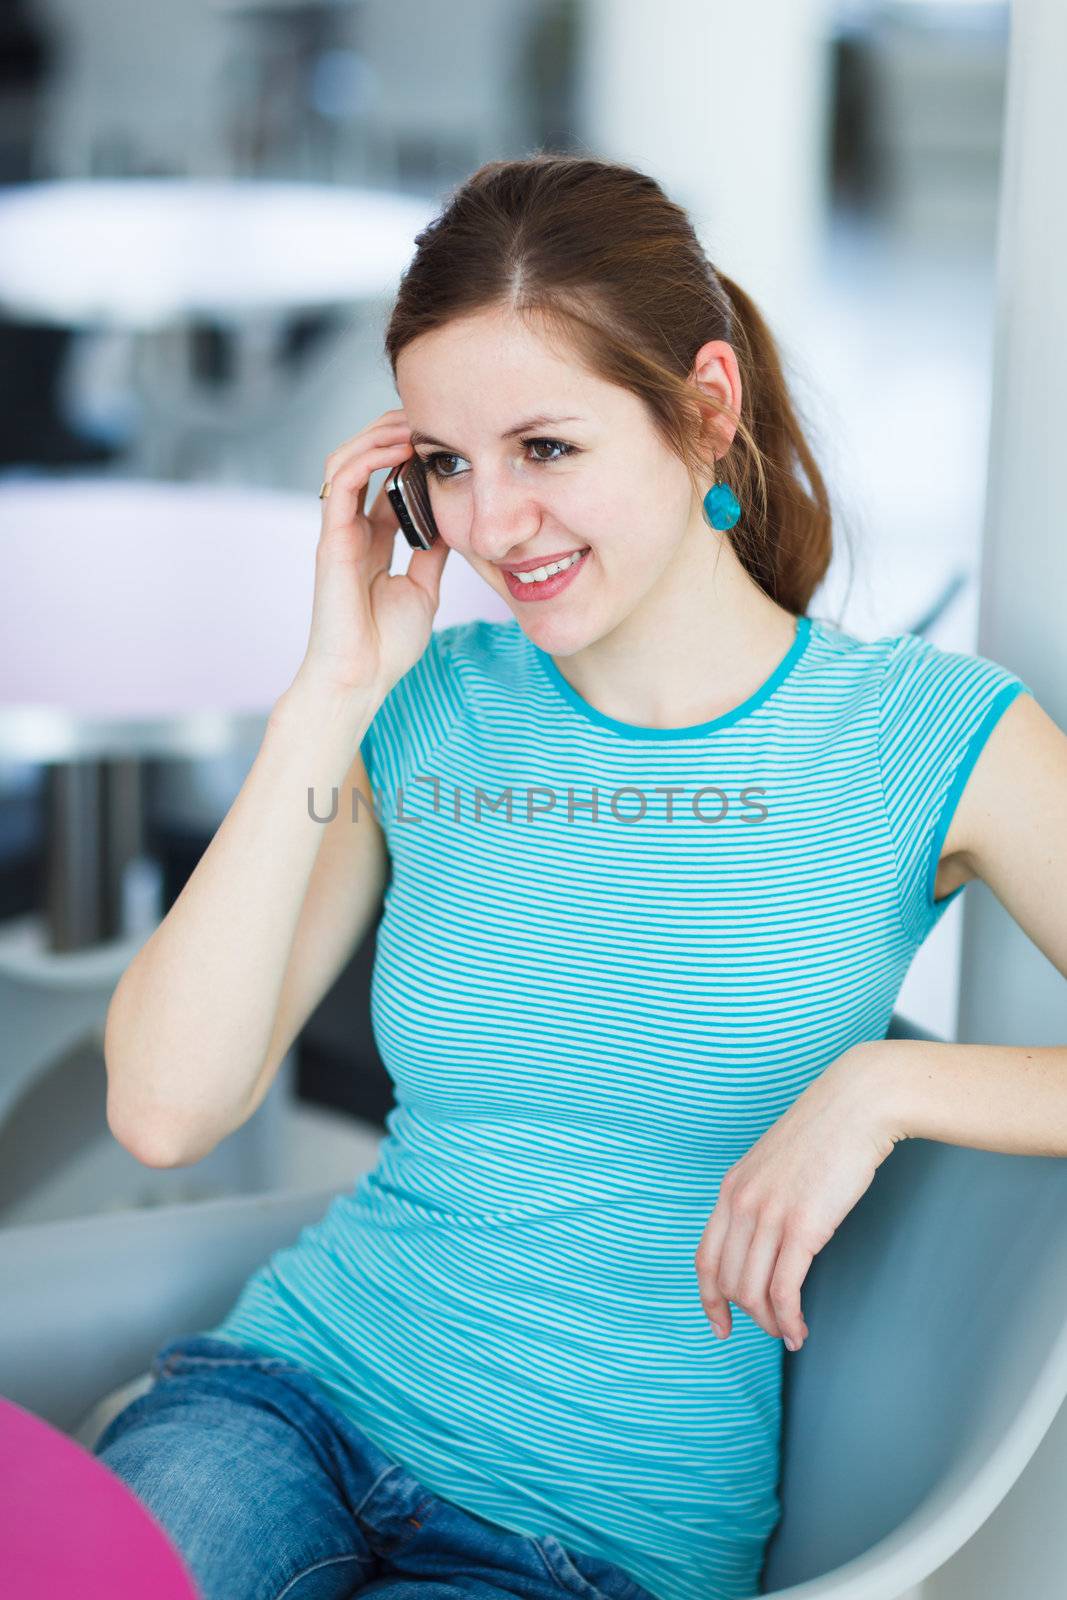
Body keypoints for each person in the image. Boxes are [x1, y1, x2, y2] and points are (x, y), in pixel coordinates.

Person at [95, 153, 1060, 1600]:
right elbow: (167, 1111)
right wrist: (328, 690)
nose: (490, 528)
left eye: (545, 449)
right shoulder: (423, 707)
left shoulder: (932, 737)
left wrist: (892, 1086)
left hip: (593, 1537)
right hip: (292, 1397)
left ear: (707, 407)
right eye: (447, 464)